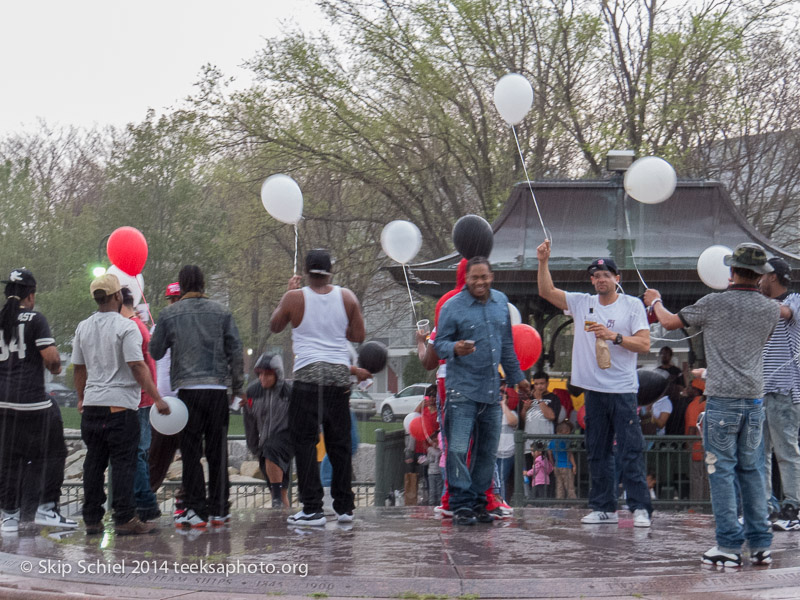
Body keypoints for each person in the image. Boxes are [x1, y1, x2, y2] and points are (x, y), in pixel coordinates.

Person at [645, 242, 780, 566]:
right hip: (753, 401)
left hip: (722, 401)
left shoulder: (713, 303)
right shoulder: (771, 309)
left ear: (731, 271)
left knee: (720, 472)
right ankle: (761, 544)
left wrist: (655, 300)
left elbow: (668, 322)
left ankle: (729, 546)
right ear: (761, 275)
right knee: (753, 471)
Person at [537, 240, 653, 527]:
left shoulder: (632, 305)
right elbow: (546, 291)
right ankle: (604, 507)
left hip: (623, 390)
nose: (601, 279)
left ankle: (640, 508)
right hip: (594, 391)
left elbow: (645, 344)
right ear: (592, 280)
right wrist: (543, 261)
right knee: (597, 450)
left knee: (630, 450)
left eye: (606, 275)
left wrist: (614, 336)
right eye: (596, 276)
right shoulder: (582, 302)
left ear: (617, 279)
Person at [270, 249, 368, 527]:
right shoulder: (347, 297)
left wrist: (287, 295)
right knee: (339, 445)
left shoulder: (295, 297)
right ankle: (345, 507)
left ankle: (312, 508)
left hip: (308, 378)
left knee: (304, 443)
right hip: (338, 378)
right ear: (330, 271)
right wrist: (338, 332)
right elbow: (359, 335)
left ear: (306, 271)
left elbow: (275, 325)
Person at [434, 256, 531, 526]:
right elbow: (438, 345)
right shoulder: (452, 307)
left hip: (491, 391)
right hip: (461, 390)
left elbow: (507, 348)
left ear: (492, 277)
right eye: (474, 277)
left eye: (484, 277)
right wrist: (454, 348)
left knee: (487, 452)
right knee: (457, 449)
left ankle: (478, 502)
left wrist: (518, 379)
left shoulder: (501, 302)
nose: (479, 282)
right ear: (466, 279)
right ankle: (460, 504)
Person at [72, 273, 169, 536]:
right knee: (123, 463)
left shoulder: (83, 327)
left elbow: (79, 368)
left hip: (92, 407)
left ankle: (92, 518)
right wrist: (157, 399)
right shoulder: (126, 327)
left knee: (93, 462)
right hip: (120, 408)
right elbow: (137, 365)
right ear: (117, 296)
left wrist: (81, 396)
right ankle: (124, 518)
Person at [150, 265, 244, 529]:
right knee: (218, 453)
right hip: (217, 392)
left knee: (191, 453)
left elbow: (155, 352)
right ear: (203, 284)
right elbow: (236, 352)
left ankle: (196, 510)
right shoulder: (222, 313)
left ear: (181, 285)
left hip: (188, 393)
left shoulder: (169, 314)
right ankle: (220, 510)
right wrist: (237, 388)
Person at [0, 268, 77, 534]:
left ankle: (9, 516)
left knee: (8, 459)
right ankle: (46, 507)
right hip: (31, 403)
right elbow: (53, 359)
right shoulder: (35, 319)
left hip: (3, 405)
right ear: (30, 296)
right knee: (53, 452)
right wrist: (54, 370)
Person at [758, 257, 800, 531]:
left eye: (760, 277)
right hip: (759, 391)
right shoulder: (761, 305)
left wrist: (748, 296)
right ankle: (763, 508)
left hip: (785, 390)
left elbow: (785, 313)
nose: (758, 281)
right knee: (757, 455)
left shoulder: (795, 299)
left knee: (786, 452)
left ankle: (793, 508)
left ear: (773, 277)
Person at [120, 287, 161, 523]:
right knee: (140, 451)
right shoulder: (140, 325)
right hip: (144, 397)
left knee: (137, 452)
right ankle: (143, 501)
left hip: (139, 398)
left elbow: (136, 364)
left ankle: (144, 502)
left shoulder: (132, 327)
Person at [147, 282, 184, 518]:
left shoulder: (189, 327)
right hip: (162, 402)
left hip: (186, 401)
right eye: (171, 300)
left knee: (190, 456)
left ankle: (184, 502)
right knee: (156, 457)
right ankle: (146, 500)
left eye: (177, 299)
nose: (174, 303)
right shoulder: (157, 329)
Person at [243, 353, 292, 508]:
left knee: (272, 448)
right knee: (281, 490)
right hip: (265, 443)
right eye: (260, 374)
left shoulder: (289, 393)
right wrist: (254, 447)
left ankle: (276, 500)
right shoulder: (251, 393)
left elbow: (302, 418)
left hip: (286, 440)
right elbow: (249, 423)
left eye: (268, 374)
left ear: (277, 374)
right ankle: (282, 521)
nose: (263, 378)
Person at [519, 371, 558, 497]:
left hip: (546, 443)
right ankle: (531, 500)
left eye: (542, 383)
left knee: (547, 473)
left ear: (547, 383)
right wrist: (525, 408)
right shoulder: (529, 398)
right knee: (532, 472)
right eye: (536, 384)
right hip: (529, 443)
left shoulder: (553, 398)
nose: (539, 386)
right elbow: (524, 419)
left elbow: (551, 416)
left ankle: (548, 500)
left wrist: (540, 399)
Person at [683, 378, 709, 503]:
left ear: (696, 390)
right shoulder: (708, 403)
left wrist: (688, 445)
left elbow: (693, 427)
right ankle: (707, 505)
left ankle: (696, 505)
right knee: (707, 478)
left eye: (690, 387)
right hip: (709, 447)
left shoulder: (694, 404)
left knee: (696, 478)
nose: (688, 390)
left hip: (697, 448)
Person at [495, 385, 519, 502]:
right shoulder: (492, 414)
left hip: (507, 453)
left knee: (501, 479)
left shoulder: (513, 413)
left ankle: (502, 502)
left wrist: (503, 404)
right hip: (493, 452)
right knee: (493, 480)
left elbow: (512, 421)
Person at [551, 420, 578, 500]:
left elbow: (549, 453)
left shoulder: (552, 441)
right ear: (565, 431)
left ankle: (559, 503)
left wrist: (553, 463)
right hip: (566, 465)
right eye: (568, 432)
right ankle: (574, 503)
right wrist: (574, 465)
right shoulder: (567, 441)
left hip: (557, 466)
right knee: (569, 486)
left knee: (559, 486)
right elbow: (570, 454)